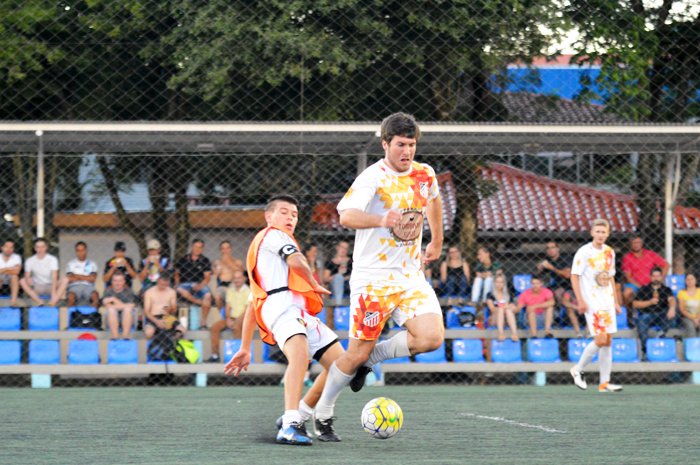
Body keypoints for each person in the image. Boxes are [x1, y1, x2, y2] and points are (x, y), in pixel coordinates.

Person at [313, 112, 445, 428]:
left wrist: (437, 240)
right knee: (355, 354)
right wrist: (381, 219)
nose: (407, 151)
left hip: (411, 275)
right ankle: (322, 414)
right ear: (385, 144)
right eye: (400, 144)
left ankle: (373, 359)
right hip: (373, 281)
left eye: (411, 145)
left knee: (431, 338)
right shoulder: (373, 177)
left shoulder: (425, 174)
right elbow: (346, 215)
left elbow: (434, 201)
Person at [223, 194, 343, 445]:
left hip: (297, 312)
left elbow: (252, 304)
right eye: (284, 212)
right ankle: (290, 425)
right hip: (282, 308)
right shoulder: (273, 235)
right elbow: (297, 261)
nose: (290, 218)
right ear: (269, 216)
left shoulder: (266, 257)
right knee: (299, 356)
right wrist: (313, 282)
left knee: (343, 367)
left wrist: (245, 347)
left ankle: (301, 413)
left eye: (295, 214)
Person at [569, 218, 623, 393]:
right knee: (599, 340)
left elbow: (610, 276)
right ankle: (577, 369)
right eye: (597, 231)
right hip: (592, 302)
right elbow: (574, 275)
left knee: (608, 341)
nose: (600, 235)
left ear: (608, 234)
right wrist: (580, 300)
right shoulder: (584, 252)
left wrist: (614, 300)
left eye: (603, 232)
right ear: (592, 232)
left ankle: (604, 383)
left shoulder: (609, 252)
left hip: (607, 300)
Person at [206, 270, 250, 362]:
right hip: (231, 318)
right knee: (214, 327)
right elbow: (227, 308)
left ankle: (238, 357)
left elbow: (247, 311)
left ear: (244, 279)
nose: (236, 280)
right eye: (234, 278)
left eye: (239, 278)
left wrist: (236, 321)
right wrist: (229, 319)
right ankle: (215, 355)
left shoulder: (248, 291)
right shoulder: (230, 290)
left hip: (243, 318)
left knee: (237, 327)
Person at [632, 267, 676, 352]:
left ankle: (660, 333)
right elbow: (635, 304)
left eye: (658, 276)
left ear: (661, 277)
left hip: (662, 315)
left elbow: (671, 299)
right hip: (647, 315)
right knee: (642, 320)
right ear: (650, 277)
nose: (656, 278)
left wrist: (672, 308)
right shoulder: (644, 289)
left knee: (674, 310)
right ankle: (645, 348)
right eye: (654, 276)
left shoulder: (666, 289)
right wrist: (650, 302)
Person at [174, 239, 213, 329]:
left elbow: (207, 277)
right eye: (195, 247)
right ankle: (199, 302)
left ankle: (203, 324)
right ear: (191, 247)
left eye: (200, 247)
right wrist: (177, 283)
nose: (197, 249)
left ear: (202, 249)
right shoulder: (183, 259)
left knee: (208, 295)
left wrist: (200, 286)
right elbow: (176, 273)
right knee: (179, 289)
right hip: (185, 284)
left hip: (199, 284)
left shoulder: (205, 260)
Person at [621, 236, 669, 307]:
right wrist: (641, 287)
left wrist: (660, 278)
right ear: (630, 245)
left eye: (637, 243)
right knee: (627, 292)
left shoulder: (651, 254)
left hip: (652, 284)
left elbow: (666, 265)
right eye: (633, 243)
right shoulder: (627, 258)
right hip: (635, 285)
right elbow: (628, 277)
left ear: (642, 244)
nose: (635, 245)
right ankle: (630, 314)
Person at [143, 271, 184, 341]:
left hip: (168, 317)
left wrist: (170, 309)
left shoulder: (172, 292)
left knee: (181, 330)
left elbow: (174, 309)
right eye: (162, 284)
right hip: (154, 317)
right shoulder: (149, 292)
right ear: (158, 280)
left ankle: (173, 344)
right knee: (148, 332)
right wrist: (156, 321)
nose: (164, 286)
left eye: (166, 284)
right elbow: (146, 312)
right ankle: (152, 348)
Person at [19, 238, 60, 306]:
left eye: (42, 247)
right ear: (35, 248)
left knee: (65, 280)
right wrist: (28, 278)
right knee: (22, 281)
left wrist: (53, 292)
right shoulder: (30, 260)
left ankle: (53, 301)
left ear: (46, 247)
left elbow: (54, 276)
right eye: (38, 247)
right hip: (37, 286)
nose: (40, 249)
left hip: (50, 286)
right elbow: (27, 275)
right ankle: (39, 301)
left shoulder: (52, 259)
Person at [60, 241, 100, 309]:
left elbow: (92, 279)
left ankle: (93, 315)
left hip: (88, 286)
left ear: (86, 251)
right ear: (76, 252)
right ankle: (74, 316)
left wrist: (78, 276)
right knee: (71, 296)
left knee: (95, 296)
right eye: (78, 251)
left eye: (82, 250)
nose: (80, 253)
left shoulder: (92, 264)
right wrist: (86, 277)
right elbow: (70, 278)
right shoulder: (71, 264)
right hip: (74, 286)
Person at [102, 272, 136, 340]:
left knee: (127, 310)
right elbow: (107, 306)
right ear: (112, 282)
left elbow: (132, 305)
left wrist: (113, 300)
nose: (117, 283)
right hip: (111, 319)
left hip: (128, 319)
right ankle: (115, 336)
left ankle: (125, 335)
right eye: (115, 281)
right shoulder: (107, 292)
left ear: (124, 282)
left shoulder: (129, 292)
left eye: (120, 281)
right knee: (111, 310)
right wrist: (125, 306)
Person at [212, 240, 244, 310]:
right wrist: (217, 271)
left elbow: (240, 272)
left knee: (233, 296)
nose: (225, 250)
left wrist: (228, 262)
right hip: (223, 285)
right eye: (223, 248)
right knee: (217, 297)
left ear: (231, 250)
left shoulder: (237, 261)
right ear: (221, 250)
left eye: (227, 248)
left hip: (234, 284)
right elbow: (215, 273)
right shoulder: (217, 262)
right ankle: (224, 316)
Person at [537, 241, 571, 305]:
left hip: (568, 284)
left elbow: (567, 275)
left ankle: (563, 310)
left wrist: (553, 268)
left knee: (557, 293)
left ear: (557, 249)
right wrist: (539, 269)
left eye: (553, 247)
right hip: (556, 285)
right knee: (543, 292)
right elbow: (539, 276)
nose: (550, 250)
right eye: (548, 248)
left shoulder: (565, 258)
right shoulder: (548, 260)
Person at [485, 274, 518, 341]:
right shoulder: (490, 295)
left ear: (504, 283)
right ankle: (501, 334)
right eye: (497, 282)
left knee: (508, 311)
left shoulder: (508, 295)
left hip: (506, 319)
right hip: (494, 318)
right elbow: (492, 309)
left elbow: (512, 308)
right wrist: (504, 307)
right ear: (494, 283)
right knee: (500, 310)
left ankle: (514, 334)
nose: (499, 284)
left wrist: (511, 307)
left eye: (501, 282)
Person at [322, 241, 352, 305]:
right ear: (337, 247)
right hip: (335, 287)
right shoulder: (330, 263)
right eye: (342, 247)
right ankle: (338, 304)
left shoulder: (351, 261)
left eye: (346, 248)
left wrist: (347, 277)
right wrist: (338, 274)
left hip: (350, 285)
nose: (344, 250)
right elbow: (325, 279)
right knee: (338, 277)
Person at [677, 274, 700, 338]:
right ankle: (692, 346)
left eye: (692, 279)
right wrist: (693, 319)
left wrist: (697, 319)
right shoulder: (681, 292)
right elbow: (682, 310)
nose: (690, 281)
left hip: (698, 316)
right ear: (685, 281)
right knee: (690, 326)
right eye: (688, 279)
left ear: (695, 280)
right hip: (686, 317)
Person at [0, 239, 22, 307]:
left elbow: (17, 271)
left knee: (14, 276)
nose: (9, 249)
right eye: (6, 246)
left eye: (11, 247)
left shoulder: (16, 257)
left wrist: (3, 270)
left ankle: (13, 302)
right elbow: (14, 269)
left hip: (11, 279)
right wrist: (8, 268)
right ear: (2, 248)